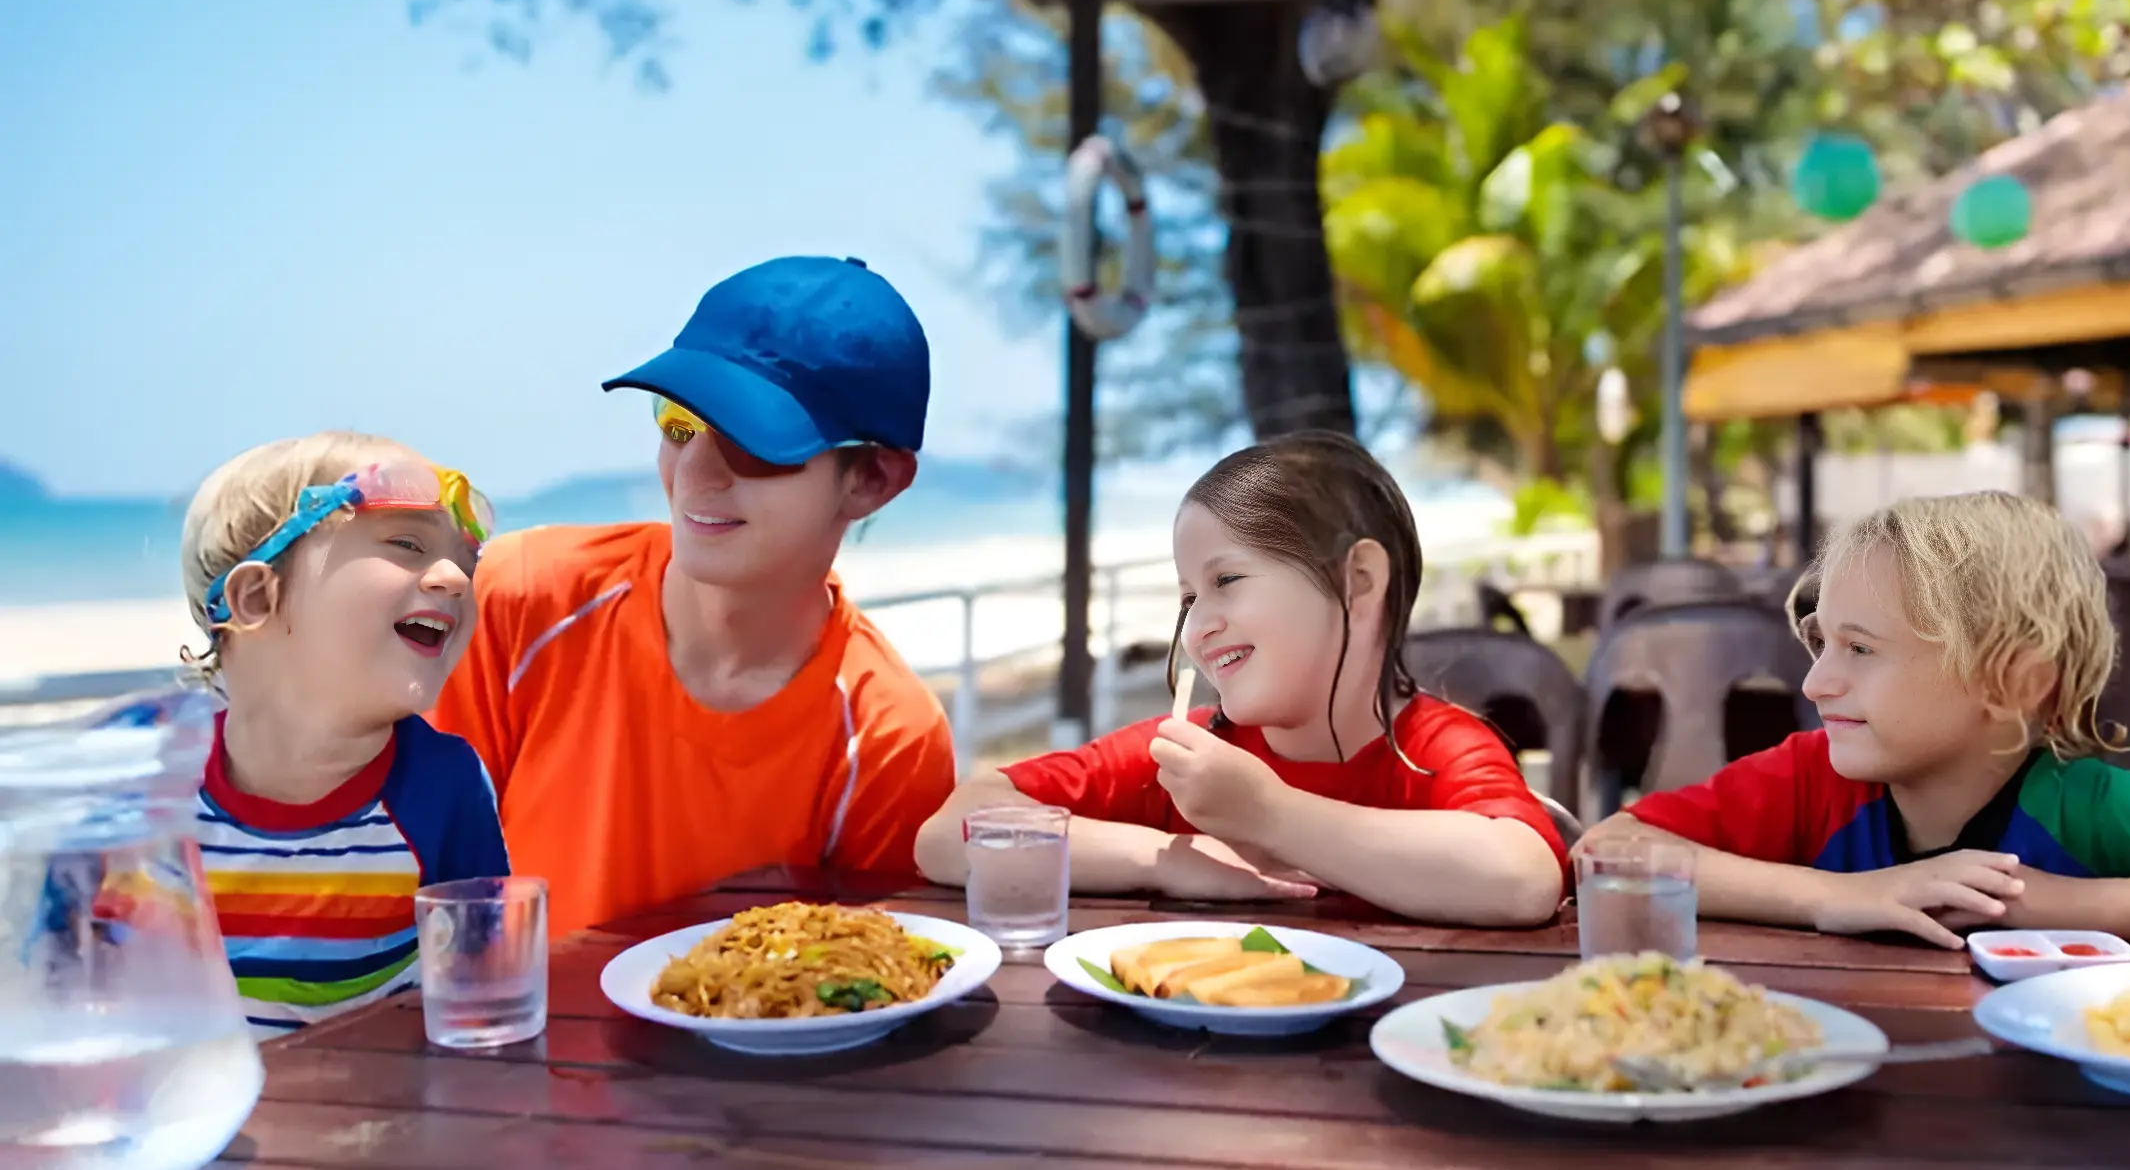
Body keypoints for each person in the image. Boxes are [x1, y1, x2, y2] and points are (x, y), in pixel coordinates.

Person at [1575, 491, 2130, 949]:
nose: (1817, 682)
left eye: (1860, 649)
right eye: (1823, 644)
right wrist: (1838, 895)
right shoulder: (1809, 777)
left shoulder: (2082, 806)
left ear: (2013, 681)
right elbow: (1608, 849)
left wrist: (2061, 905)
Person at [435, 256, 955, 937]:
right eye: (679, 422)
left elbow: (859, 982)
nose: (694, 475)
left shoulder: (888, 741)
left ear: (872, 479)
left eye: (752, 441)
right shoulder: (520, 598)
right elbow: (423, 894)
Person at [916, 432, 1567, 927]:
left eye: (1226, 581)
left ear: (1357, 582)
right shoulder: (1190, 754)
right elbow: (948, 837)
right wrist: (1168, 858)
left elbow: (1524, 877)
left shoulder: (1433, 749)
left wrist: (1271, 815)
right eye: (1187, 598)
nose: (1198, 626)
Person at [179, 431, 508, 1032]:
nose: (456, 581)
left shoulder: (442, 786)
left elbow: (479, 995)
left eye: (467, 564)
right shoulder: (151, 795)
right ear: (257, 596)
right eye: (408, 544)